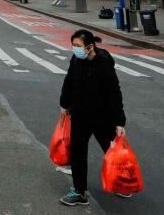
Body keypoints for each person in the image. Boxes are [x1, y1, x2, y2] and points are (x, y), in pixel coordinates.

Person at [58, 29, 128, 206]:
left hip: (102, 117)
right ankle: (79, 191)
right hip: (80, 115)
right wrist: (64, 104)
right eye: (73, 45)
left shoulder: (103, 64)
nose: (75, 49)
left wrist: (119, 121)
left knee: (111, 151)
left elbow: (114, 93)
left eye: (78, 46)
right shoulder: (76, 60)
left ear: (90, 47)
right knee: (78, 152)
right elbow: (69, 81)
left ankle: (123, 183)